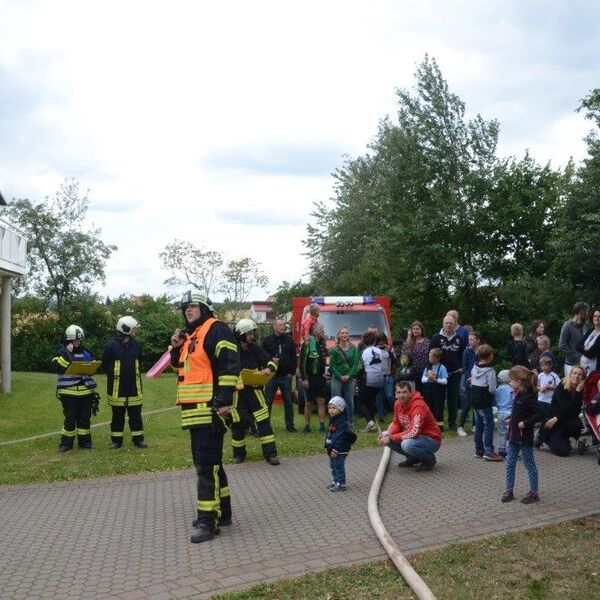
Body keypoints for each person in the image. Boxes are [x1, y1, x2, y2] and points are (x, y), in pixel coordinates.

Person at [170, 289, 240, 544]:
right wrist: (176, 349)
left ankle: (208, 521)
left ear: (204, 307)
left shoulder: (216, 329)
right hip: (195, 414)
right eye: (185, 308)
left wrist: (223, 401)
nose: (188, 310)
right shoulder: (193, 336)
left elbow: (230, 365)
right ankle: (225, 512)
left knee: (205, 468)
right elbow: (181, 369)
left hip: (210, 411)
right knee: (212, 464)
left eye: (193, 306)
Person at [231, 318, 280, 465]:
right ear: (241, 334)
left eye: (253, 333)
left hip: (255, 392)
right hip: (238, 393)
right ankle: (239, 455)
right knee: (238, 423)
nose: (252, 336)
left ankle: (270, 454)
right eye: (249, 334)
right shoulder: (231, 350)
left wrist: (268, 369)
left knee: (263, 421)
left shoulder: (256, 349)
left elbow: (271, 361)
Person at [102, 316, 146, 449]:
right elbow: (105, 364)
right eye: (134, 329)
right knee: (117, 416)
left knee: (136, 416)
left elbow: (140, 362)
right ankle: (116, 441)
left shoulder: (137, 345)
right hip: (117, 388)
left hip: (134, 387)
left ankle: (138, 440)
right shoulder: (111, 346)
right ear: (126, 330)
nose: (135, 331)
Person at [52, 324, 99, 452]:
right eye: (75, 340)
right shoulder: (62, 352)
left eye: (79, 340)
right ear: (69, 340)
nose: (78, 342)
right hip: (68, 393)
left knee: (85, 419)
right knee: (70, 419)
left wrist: (92, 366)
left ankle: (85, 443)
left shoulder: (86, 352)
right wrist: (68, 353)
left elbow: (93, 367)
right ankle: (66, 444)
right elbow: (57, 367)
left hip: (86, 393)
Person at [501, 365, 544, 504]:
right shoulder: (518, 394)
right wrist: (511, 420)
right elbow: (518, 412)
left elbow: (539, 414)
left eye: (511, 380)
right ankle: (509, 490)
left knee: (529, 464)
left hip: (524, 438)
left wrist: (525, 423)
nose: (509, 382)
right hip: (513, 437)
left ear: (519, 381)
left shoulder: (529, 397)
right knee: (510, 463)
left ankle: (534, 493)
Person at [378, 381, 442, 471]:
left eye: (404, 392)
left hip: (431, 440)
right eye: (399, 392)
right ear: (395, 394)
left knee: (406, 444)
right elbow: (397, 423)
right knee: (388, 439)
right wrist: (388, 434)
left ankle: (429, 459)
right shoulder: (397, 404)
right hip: (415, 438)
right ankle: (413, 458)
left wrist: (391, 437)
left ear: (411, 392)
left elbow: (414, 432)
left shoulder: (418, 406)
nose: (401, 395)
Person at [539, 365, 586, 457]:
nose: (576, 376)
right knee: (564, 451)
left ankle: (563, 438)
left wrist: (577, 391)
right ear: (570, 374)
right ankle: (543, 437)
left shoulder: (579, 390)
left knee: (577, 425)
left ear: (583, 378)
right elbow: (566, 408)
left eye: (580, 375)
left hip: (563, 420)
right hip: (552, 423)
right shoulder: (562, 386)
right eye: (574, 373)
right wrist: (556, 418)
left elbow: (574, 412)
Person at [430, 315, 465, 431]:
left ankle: (452, 423)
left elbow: (462, 355)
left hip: (455, 372)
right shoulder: (436, 338)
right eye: (447, 323)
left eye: (451, 323)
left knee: (453, 398)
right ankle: (438, 424)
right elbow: (430, 355)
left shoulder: (460, 338)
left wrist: (462, 367)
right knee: (438, 399)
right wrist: (430, 370)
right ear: (443, 323)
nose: (449, 325)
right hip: (439, 373)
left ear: (455, 324)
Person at [262, 318, 297, 432]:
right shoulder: (267, 341)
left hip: (285, 376)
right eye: (280, 325)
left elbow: (294, 358)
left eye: (284, 325)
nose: (283, 327)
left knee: (288, 402)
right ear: (274, 327)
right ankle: (265, 427)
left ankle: (290, 426)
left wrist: (291, 373)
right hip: (271, 376)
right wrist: (269, 360)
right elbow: (261, 356)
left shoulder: (289, 340)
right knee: (267, 402)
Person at [471, 344, 502, 461]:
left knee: (479, 425)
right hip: (484, 400)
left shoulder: (474, 367)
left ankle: (479, 450)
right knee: (489, 426)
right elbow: (492, 389)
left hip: (474, 399)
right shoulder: (491, 371)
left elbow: (472, 380)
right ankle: (489, 451)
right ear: (490, 356)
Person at [329, 326, 360, 429]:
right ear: (338, 335)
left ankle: (351, 422)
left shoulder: (353, 348)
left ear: (348, 335)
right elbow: (332, 366)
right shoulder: (334, 350)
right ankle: (336, 423)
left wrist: (349, 375)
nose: (344, 335)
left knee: (350, 400)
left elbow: (355, 364)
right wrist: (340, 376)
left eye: (346, 333)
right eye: (342, 333)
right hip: (337, 378)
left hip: (349, 378)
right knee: (335, 400)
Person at [299, 323, 328, 434]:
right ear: (313, 331)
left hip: (320, 377)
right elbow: (302, 362)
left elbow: (324, 360)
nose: (320, 330)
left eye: (321, 328)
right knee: (308, 403)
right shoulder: (308, 344)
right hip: (309, 377)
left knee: (321, 401)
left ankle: (321, 425)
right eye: (317, 328)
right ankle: (307, 426)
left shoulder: (322, 344)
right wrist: (304, 378)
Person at [324, 396, 357, 491]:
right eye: (329, 408)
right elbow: (330, 435)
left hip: (339, 449)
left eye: (334, 408)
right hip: (332, 448)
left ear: (341, 409)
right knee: (333, 465)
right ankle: (335, 481)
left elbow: (341, 438)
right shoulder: (333, 420)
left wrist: (335, 449)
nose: (331, 410)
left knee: (338, 465)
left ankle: (341, 484)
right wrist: (328, 446)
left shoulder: (342, 422)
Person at [358, 330, 384, 432]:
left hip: (369, 378)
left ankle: (369, 421)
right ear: (374, 341)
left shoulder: (365, 352)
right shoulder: (379, 351)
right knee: (370, 401)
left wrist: (357, 377)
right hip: (379, 378)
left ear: (364, 342)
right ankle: (372, 423)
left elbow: (362, 366)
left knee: (361, 402)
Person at [457, 331, 481, 436]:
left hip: (480, 381)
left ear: (478, 340)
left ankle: (475, 425)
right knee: (468, 403)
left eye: (472, 339)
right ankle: (460, 426)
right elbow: (465, 367)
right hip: (469, 381)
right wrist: (470, 378)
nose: (470, 341)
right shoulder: (467, 351)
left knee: (477, 404)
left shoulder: (482, 351)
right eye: (469, 339)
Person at [559, 301, 589, 376]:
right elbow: (562, 345)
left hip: (583, 365)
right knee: (570, 387)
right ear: (580, 312)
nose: (587, 314)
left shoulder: (584, 327)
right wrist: (575, 357)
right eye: (586, 311)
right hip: (570, 365)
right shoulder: (567, 325)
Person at [421, 348, 448, 430]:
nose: (429, 359)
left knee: (438, 408)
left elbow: (445, 381)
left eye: (431, 357)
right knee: (428, 407)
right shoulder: (428, 367)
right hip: (428, 392)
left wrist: (436, 380)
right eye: (429, 357)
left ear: (437, 358)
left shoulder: (442, 368)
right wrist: (428, 379)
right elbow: (422, 379)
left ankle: (439, 427)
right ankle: (428, 425)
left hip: (439, 392)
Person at [402, 321, 430, 394]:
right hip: (412, 372)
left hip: (424, 371)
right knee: (414, 393)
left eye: (417, 329)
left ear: (421, 330)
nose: (415, 330)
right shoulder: (407, 342)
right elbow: (403, 356)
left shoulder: (427, 342)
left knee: (425, 393)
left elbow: (430, 356)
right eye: (413, 329)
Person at [375, 331, 395, 422]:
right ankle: (381, 415)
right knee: (379, 397)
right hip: (378, 376)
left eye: (382, 340)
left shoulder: (390, 348)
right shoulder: (374, 349)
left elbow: (395, 361)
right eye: (379, 341)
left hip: (388, 375)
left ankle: (398, 411)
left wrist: (389, 352)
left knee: (389, 395)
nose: (381, 343)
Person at [495, 369, 513, 457]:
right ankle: (510, 451)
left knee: (502, 432)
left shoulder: (497, 389)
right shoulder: (511, 390)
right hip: (509, 413)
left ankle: (501, 450)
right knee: (510, 433)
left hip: (500, 412)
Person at [576, 307, 600, 375]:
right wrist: (585, 348)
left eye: (599, 316)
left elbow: (591, 353)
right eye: (595, 316)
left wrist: (582, 348)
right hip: (582, 366)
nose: (597, 318)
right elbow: (577, 346)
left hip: (593, 368)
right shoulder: (590, 331)